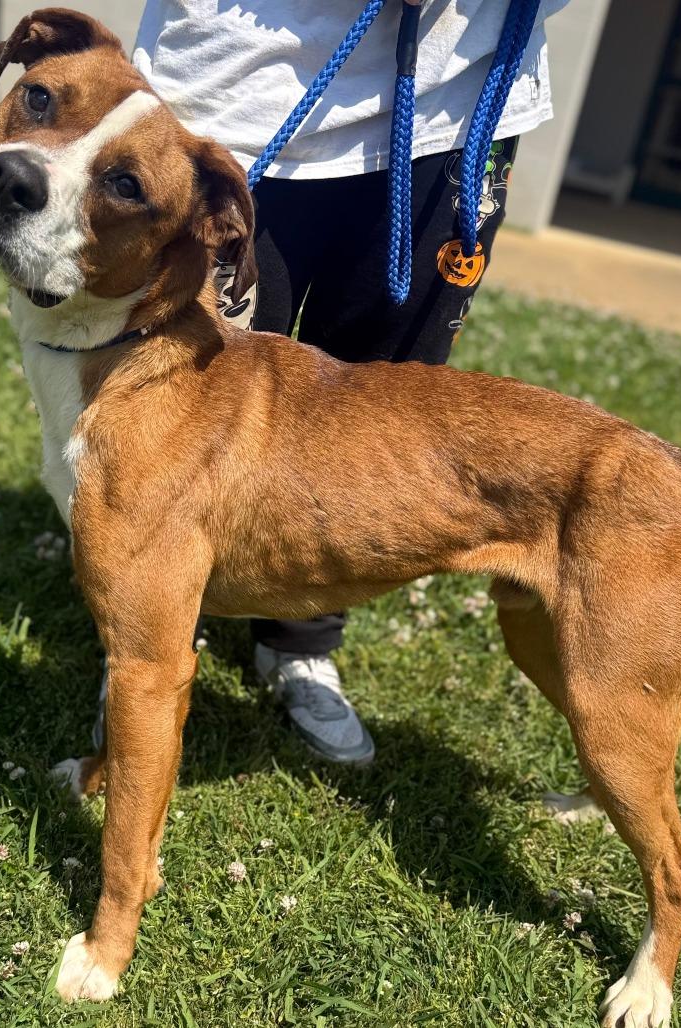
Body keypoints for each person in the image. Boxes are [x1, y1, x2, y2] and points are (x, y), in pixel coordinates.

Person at [105, 0, 571, 765]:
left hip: (454, 106)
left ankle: (298, 644)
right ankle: (142, 644)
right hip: (241, 95)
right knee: (184, 397)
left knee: (377, 422)